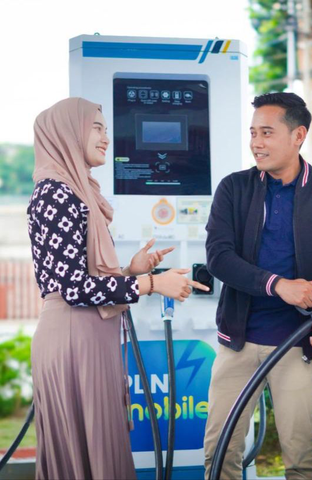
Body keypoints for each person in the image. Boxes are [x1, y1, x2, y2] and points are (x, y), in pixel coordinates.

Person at [27, 97, 209, 479]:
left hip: (90, 333)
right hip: (74, 336)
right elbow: (74, 288)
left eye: (106, 129)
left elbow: (82, 277)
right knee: (89, 455)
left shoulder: (78, 192)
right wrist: (151, 283)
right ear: (67, 133)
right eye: (96, 128)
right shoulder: (55, 193)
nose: (106, 138)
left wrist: (132, 270)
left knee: (101, 450)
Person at [203, 92, 312, 479]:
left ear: (298, 136)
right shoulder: (234, 189)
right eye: (252, 133)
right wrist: (279, 285)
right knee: (219, 451)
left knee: (300, 458)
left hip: (299, 344)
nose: (256, 143)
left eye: (266, 132)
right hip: (239, 341)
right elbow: (219, 257)